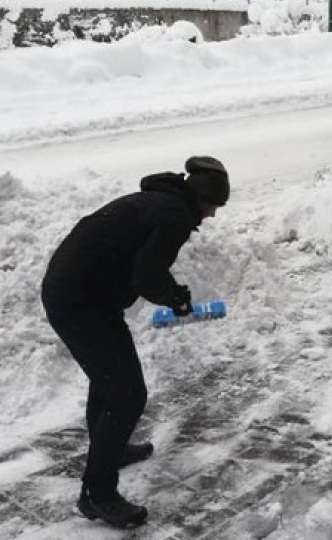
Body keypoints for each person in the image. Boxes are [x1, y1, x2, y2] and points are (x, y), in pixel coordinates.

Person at [41, 156, 230, 528]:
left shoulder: (160, 202)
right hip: (80, 303)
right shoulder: (174, 216)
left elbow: (139, 264)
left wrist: (166, 290)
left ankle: (109, 451)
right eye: (214, 207)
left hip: (81, 293)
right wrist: (175, 297)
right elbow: (147, 276)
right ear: (204, 199)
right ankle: (98, 494)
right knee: (127, 394)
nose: (212, 216)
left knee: (111, 382)